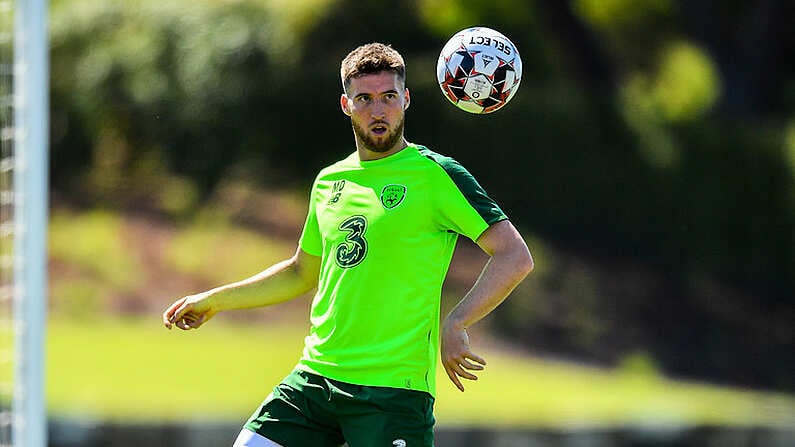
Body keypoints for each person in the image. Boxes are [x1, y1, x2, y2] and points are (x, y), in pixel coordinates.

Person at [162, 42, 533, 447]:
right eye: (365, 99)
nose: (378, 111)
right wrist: (214, 300)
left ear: (406, 99)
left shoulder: (437, 175)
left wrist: (456, 321)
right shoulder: (329, 181)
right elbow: (302, 272)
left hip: (393, 392)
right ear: (346, 104)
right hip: (317, 378)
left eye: (389, 97)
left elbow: (514, 255)